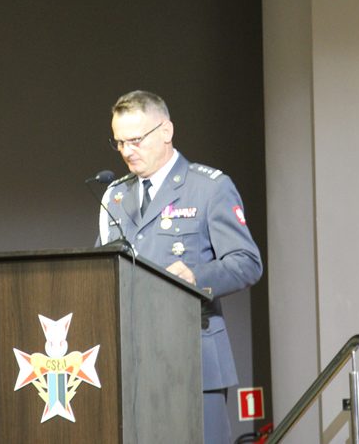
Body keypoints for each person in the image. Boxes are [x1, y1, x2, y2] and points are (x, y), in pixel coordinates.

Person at [97, 90, 263, 444]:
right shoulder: (114, 196)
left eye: (136, 140)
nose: (127, 151)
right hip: (132, 364)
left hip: (194, 359)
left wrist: (195, 277)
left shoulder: (209, 188)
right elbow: (101, 268)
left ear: (166, 131)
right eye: (120, 142)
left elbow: (247, 263)